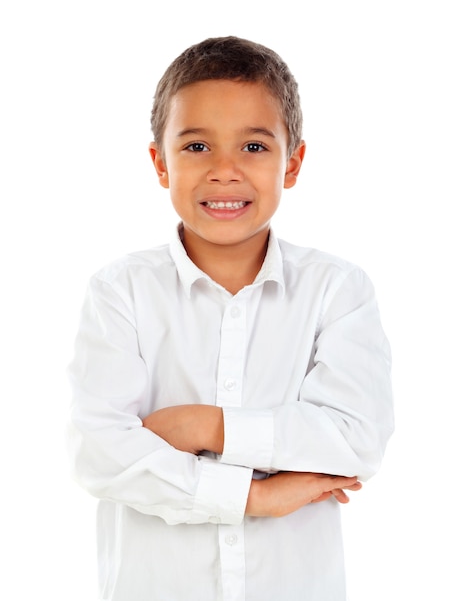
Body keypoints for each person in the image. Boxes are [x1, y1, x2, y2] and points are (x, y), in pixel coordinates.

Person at [67, 36, 394, 601]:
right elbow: (98, 452)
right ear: (159, 163)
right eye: (196, 146)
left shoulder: (337, 291)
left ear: (292, 163)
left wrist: (204, 427)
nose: (224, 171)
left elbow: (356, 438)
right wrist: (256, 495)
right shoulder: (120, 291)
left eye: (254, 147)